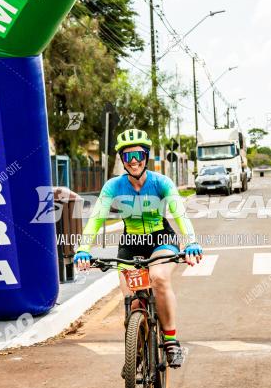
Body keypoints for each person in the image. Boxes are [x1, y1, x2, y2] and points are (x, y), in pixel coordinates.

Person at [74, 129, 203, 369]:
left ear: (146, 156)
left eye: (139, 154)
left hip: (160, 239)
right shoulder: (113, 186)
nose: (134, 161)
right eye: (128, 156)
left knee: (158, 278)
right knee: (132, 302)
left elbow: (179, 213)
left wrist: (191, 242)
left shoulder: (161, 182)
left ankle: (171, 340)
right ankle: (138, 349)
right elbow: (96, 218)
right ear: (122, 160)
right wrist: (83, 248)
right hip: (131, 243)